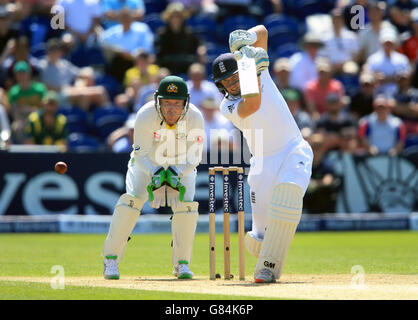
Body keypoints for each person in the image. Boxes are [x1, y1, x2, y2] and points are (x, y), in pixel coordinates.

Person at [212, 25, 313, 283]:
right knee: (259, 237)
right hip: (262, 165)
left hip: (293, 148)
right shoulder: (228, 105)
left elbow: (264, 32)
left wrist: (246, 37)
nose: (233, 83)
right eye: (228, 82)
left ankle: (268, 268)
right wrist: (249, 68)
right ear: (221, 86)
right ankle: (264, 254)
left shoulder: (258, 68)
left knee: (288, 194)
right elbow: (252, 104)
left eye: (235, 76)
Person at [102, 75, 205, 280]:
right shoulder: (145, 114)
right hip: (146, 165)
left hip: (181, 166)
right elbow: (140, 154)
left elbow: (195, 157)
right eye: (167, 103)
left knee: (186, 207)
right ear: (158, 101)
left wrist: (175, 173)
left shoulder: (195, 117)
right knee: (131, 202)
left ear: (185, 102)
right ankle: (110, 260)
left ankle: (182, 264)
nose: (171, 109)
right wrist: (156, 173)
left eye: (176, 103)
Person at [154, 2, 206, 75]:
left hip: (188, 66)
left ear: (182, 18)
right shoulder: (162, 34)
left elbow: (200, 43)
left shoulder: (189, 33)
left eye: (178, 16)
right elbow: (158, 55)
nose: (175, 19)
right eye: (173, 16)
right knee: (162, 73)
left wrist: (201, 48)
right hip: (168, 67)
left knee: (196, 70)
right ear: (169, 18)